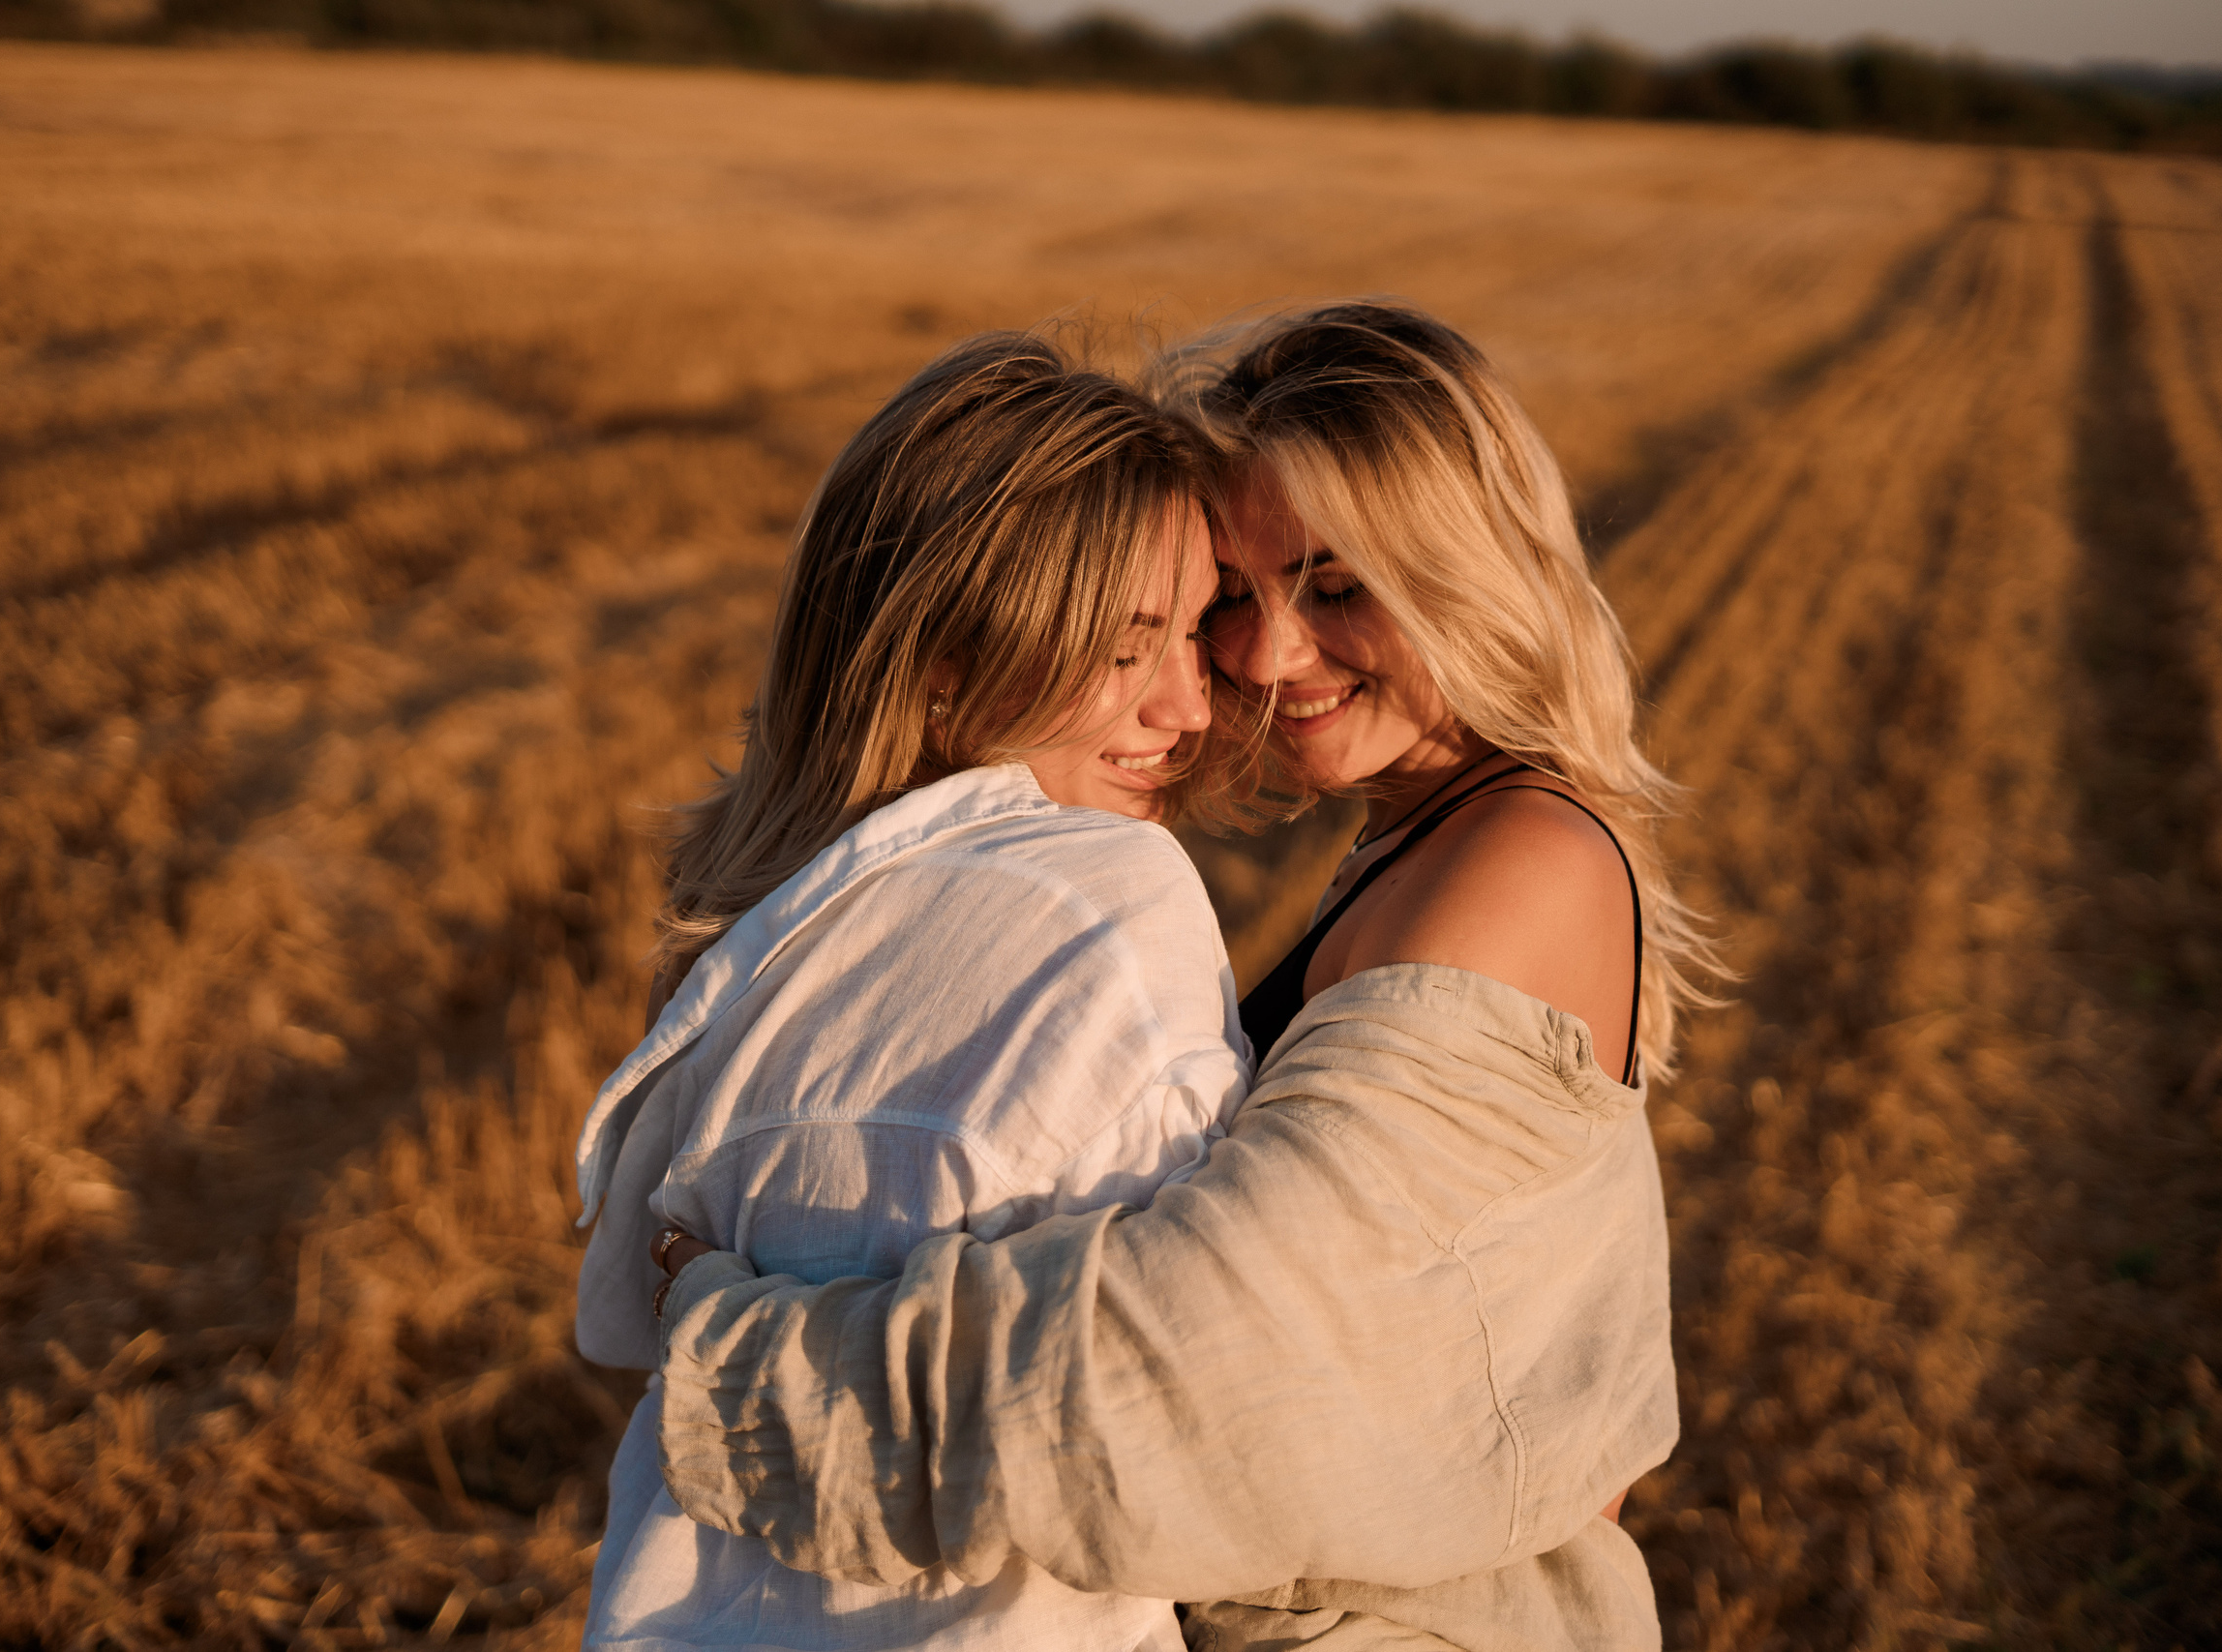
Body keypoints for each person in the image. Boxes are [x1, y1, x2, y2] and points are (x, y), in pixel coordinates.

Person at [640, 300, 1723, 1650]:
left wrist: (734, 1355)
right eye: (1237, 601)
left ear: (1472, 574)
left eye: (1337, 588)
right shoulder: (1433, 845)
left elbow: (1198, 1373)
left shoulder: (1519, 864)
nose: (1263, 660)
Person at [572, 331, 1261, 1651]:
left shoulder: (769, 940)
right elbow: (1196, 1407)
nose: (1190, 704)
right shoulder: (1110, 899)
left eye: (1193, 632)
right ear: (943, 662)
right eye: (1127, 649)